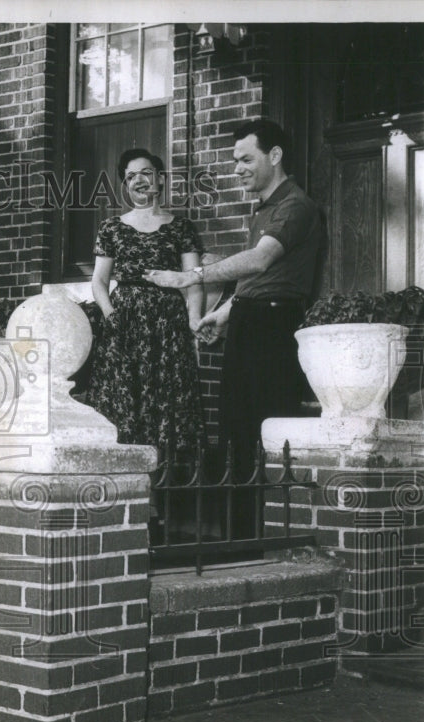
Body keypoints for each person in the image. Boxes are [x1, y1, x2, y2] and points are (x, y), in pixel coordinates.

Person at [142, 120, 321, 537]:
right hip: (251, 318)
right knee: (237, 430)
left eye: (246, 159)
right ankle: (240, 537)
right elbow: (259, 278)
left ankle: (262, 536)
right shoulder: (264, 209)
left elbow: (259, 262)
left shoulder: (294, 205)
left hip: (275, 327)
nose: (237, 168)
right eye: (234, 160)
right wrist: (222, 315)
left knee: (263, 429)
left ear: (274, 156)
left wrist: (191, 277)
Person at [88, 148, 206, 453]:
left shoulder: (181, 228)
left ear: (161, 179)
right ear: (125, 186)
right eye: (130, 177)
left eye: (145, 173)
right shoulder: (111, 228)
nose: (138, 180)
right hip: (124, 320)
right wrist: (110, 313)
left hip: (168, 323)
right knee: (127, 393)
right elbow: (99, 281)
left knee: (168, 394)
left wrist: (195, 320)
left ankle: (168, 481)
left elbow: (194, 280)